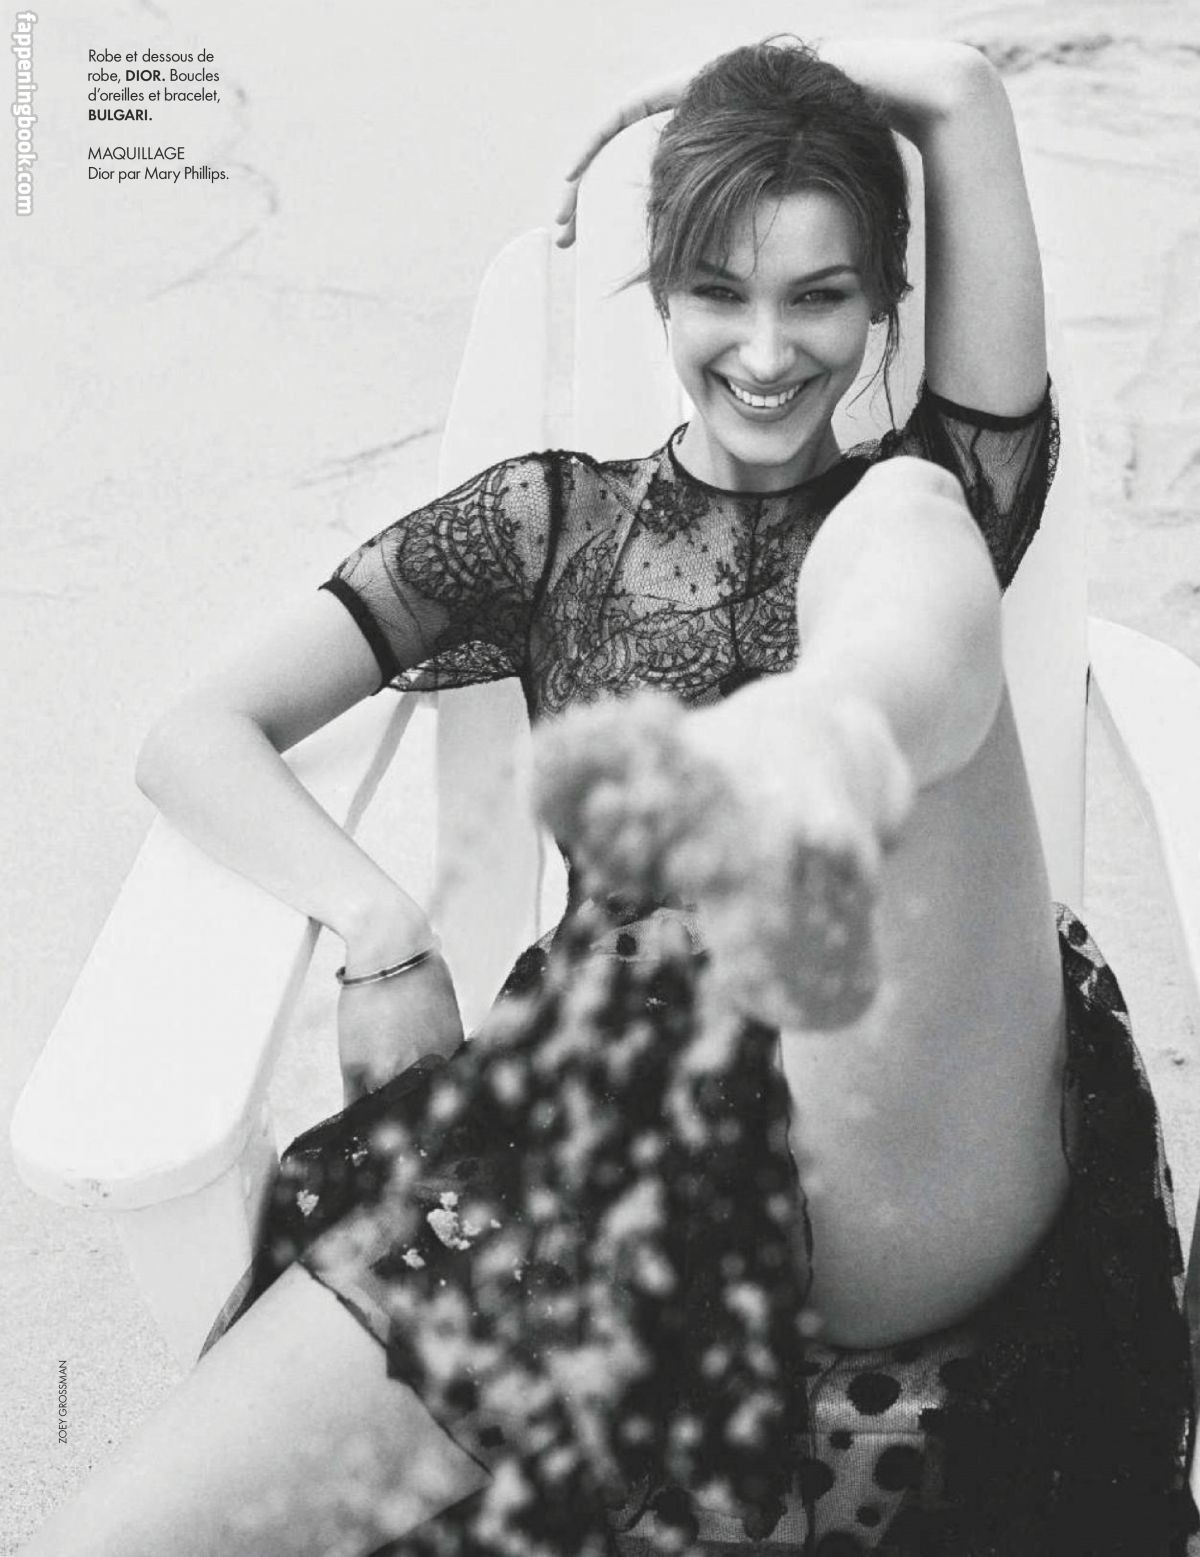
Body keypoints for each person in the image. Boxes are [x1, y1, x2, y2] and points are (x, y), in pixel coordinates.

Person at [19, 37, 1195, 1557]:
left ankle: (825, 740)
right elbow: (197, 729)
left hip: (902, 1105)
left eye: (819, 296)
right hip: (608, 1152)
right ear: (658, 292)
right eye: (718, 290)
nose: (765, 351)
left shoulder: (944, 477)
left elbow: (963, 91)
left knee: (906, 521)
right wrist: (374, 922)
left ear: (888, 307)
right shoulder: (546, 522)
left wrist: (709, 96)